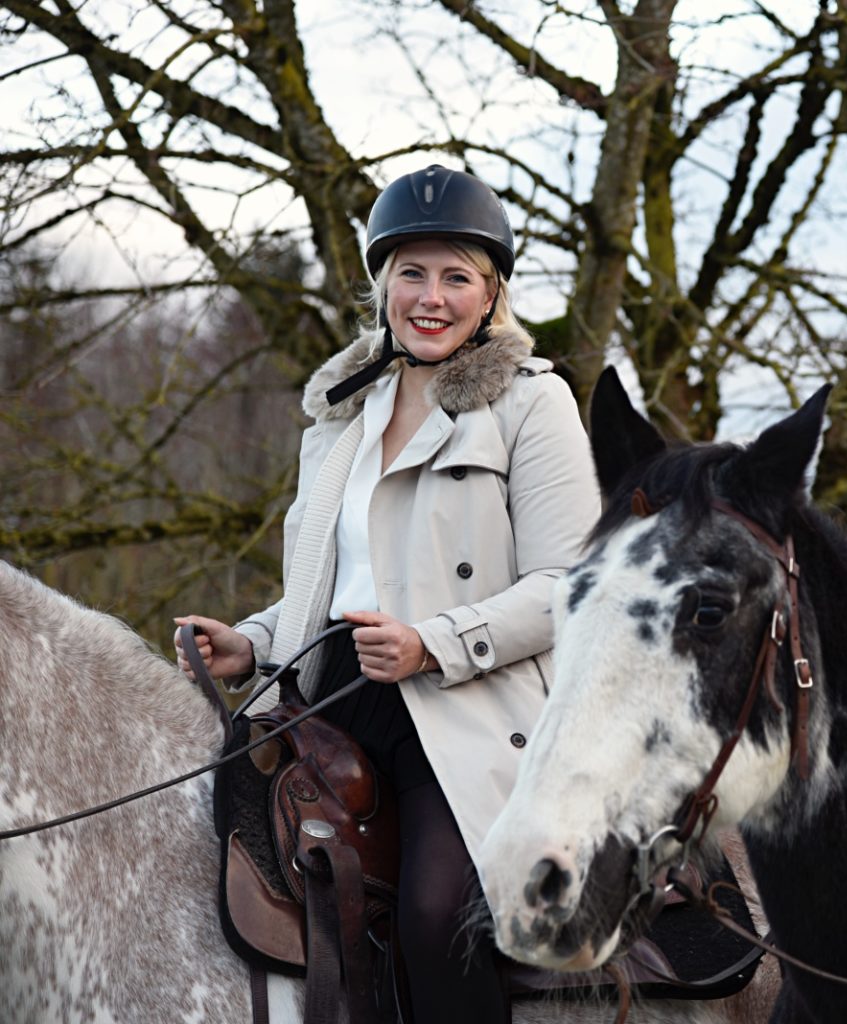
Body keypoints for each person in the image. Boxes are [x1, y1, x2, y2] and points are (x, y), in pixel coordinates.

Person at [174, 164, 600, 1020]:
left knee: (436, 916)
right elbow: (329, 584)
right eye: (412, 272)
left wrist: (432, 642)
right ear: (383, 284)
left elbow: (569, 586)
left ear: (490, 295)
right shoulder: (338, 415)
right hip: (325, 693)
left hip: (465, 708)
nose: (431, 297)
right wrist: (253, 643)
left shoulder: (532, 403)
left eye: (456, 277)